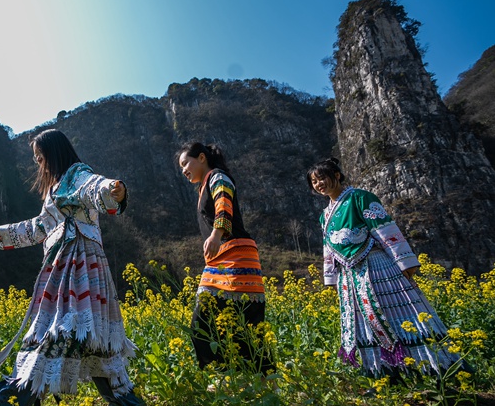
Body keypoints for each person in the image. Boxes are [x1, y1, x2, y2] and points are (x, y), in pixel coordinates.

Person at [0, 129, 144, 406]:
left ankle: (1, 405)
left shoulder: (76, 174)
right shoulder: (54, 191)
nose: (39, 163)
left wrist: (113, 189)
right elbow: (40, 227)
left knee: (59, 333)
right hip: (63, 264)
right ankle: (126, 405)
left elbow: (92, 186)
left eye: (40, 157)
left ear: (54, 153)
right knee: (90, 337)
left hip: (80, 260)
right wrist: (7, 233)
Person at [307, 158, 462, 378]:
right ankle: (380, 369)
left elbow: (384, 228)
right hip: (349, 275)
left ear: (337, 175)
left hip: (376, 267)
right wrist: (330, 278)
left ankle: (427, 366)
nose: (319, 184)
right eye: (314, 181)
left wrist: (404, 262)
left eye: (322, 177)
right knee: (362, 320)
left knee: (396, 312)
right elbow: (328, 248)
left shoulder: (361, 198)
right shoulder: (325, 215)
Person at [177, 142, 274, 377]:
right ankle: (226, 375)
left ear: (201, 157)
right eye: (181, 167)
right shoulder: (203, 187)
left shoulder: (217, 177)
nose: (183, 170)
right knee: (208, 324)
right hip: (220, 261)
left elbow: (223, 204)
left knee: (245, 324)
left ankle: (262, 381)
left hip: (237, 257)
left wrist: (216, 234)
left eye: (185, 163)